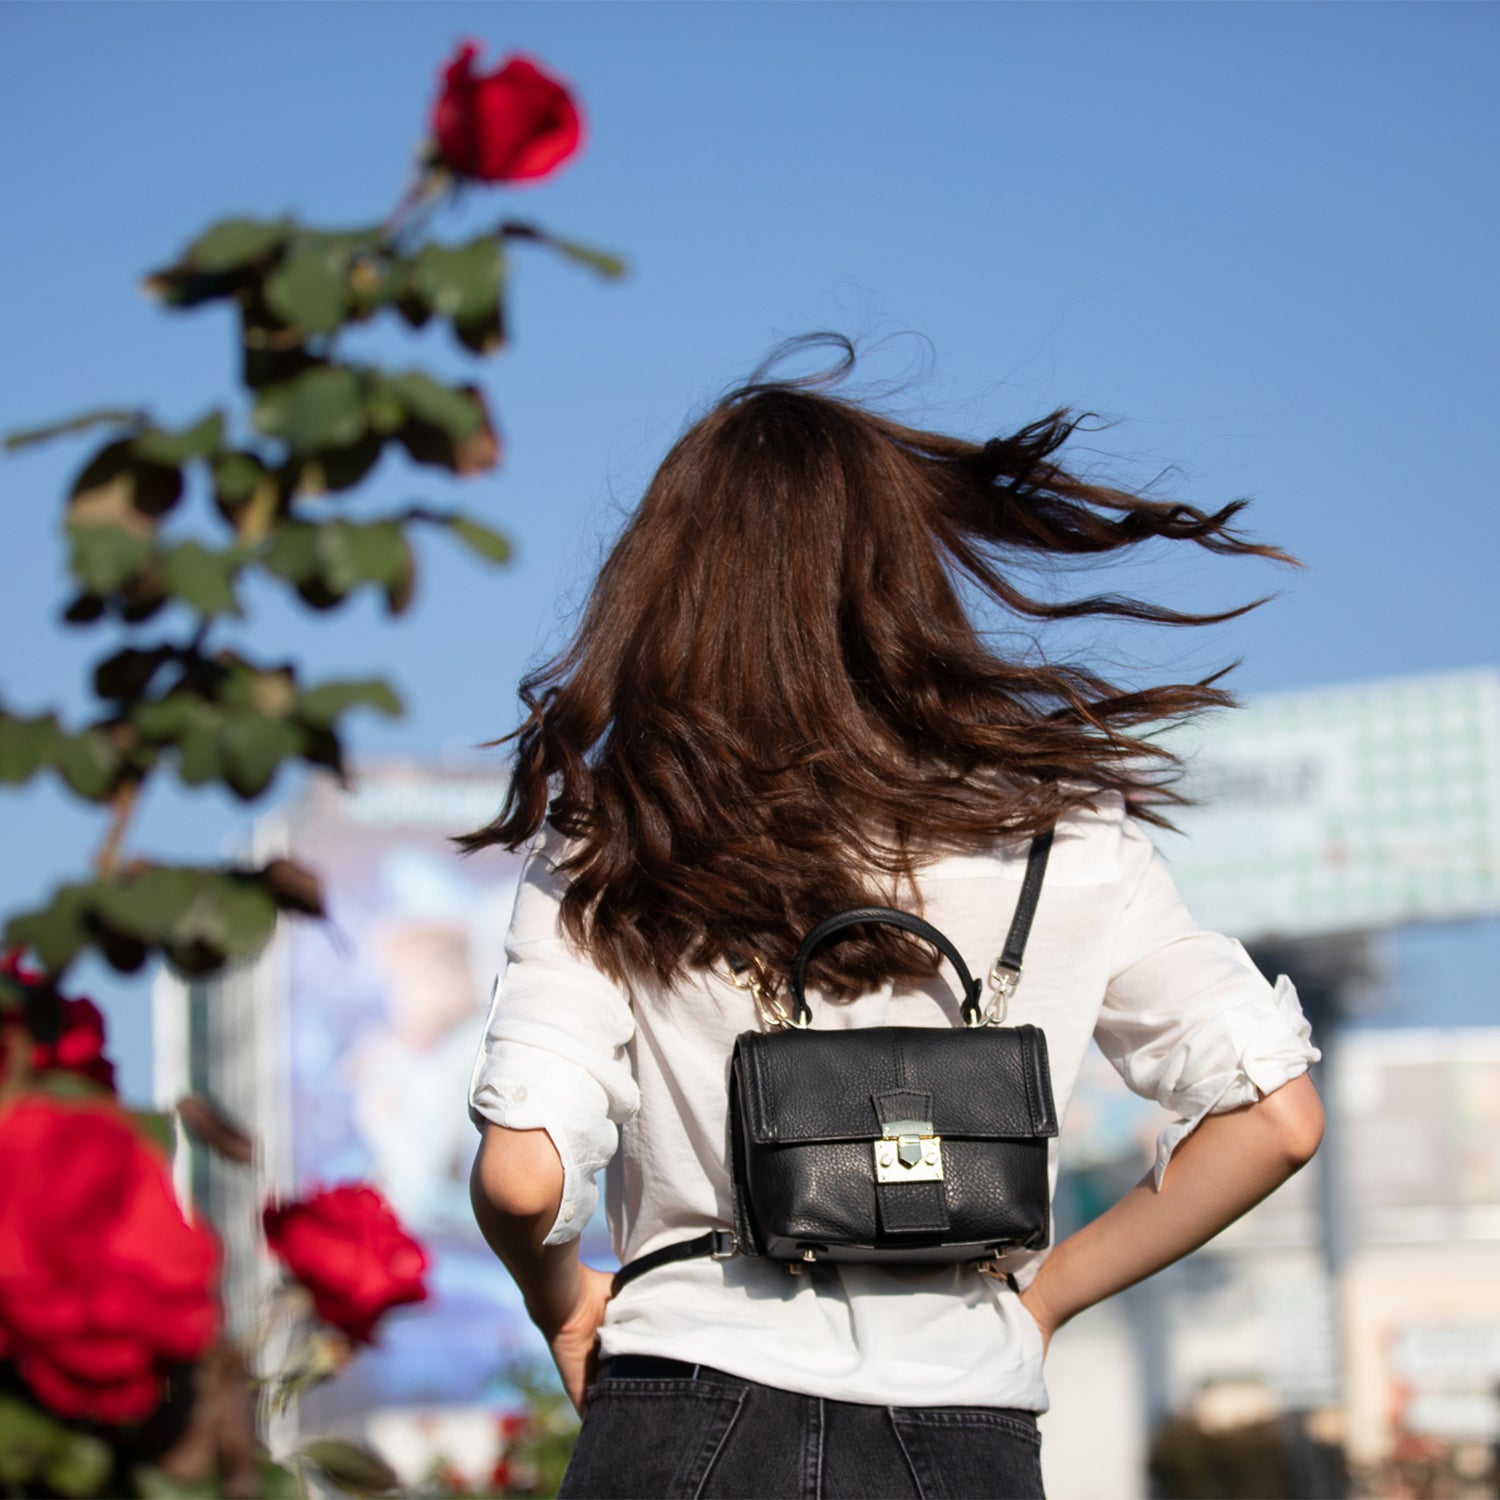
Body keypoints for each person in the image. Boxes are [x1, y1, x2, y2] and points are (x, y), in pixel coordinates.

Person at [462, 345, 1325, 1499]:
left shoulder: (615, 833)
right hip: (960, 1425)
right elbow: (1276, 1117)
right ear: (904, 574)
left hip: (680, 1408)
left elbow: (523, 1177)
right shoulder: (1065, 833)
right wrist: (1049, 1296)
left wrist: (566, 1305)